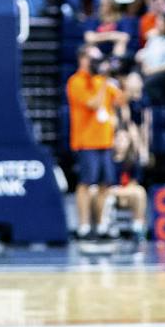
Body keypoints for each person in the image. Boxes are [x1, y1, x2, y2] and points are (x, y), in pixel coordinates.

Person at [66, 54, 120, 239]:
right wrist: (105, 81)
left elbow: (121, 100)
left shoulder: (101, 80)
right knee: (85, 184)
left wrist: (123, 77)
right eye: (92, 59)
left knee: (105, 184)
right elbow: (94, 103)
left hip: (105, 141)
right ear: (82, 59)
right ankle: (83, 225)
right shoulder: (76, 82)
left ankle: (101, 224)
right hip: (86, 141)